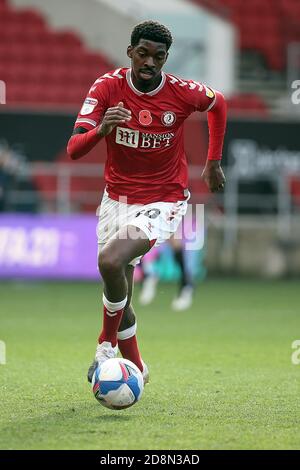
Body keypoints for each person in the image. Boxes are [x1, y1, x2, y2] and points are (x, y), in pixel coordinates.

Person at [67, 20, 227, 385]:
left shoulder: (182, 93)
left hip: (164, 197)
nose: (150, 62)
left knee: (110, 259)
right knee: (119, 293)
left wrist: (213, 162)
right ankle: (137, 366)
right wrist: (102, 130)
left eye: (159, 56)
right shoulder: (107, 88)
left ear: (166, 58)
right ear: (130, 53)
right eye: (143, 53)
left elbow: (219, 103)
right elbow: (74, 149)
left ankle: (104, 346)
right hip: (117, 198)